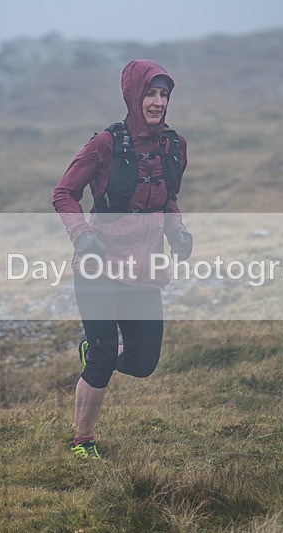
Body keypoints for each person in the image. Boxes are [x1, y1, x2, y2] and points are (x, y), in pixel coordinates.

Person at [53, 59, 192, 459]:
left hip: (145, 271)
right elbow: (64, 193)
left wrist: (178, 232)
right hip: (99, 268)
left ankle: (96, 352)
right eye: (150, 92)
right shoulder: (106, 145)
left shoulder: (173, 145)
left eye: (163, 94)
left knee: (143, 362)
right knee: (99, 360)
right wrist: (82, 237)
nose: (157, 102)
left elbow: (168, 200)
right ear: (133, 94)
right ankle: (83, 441)